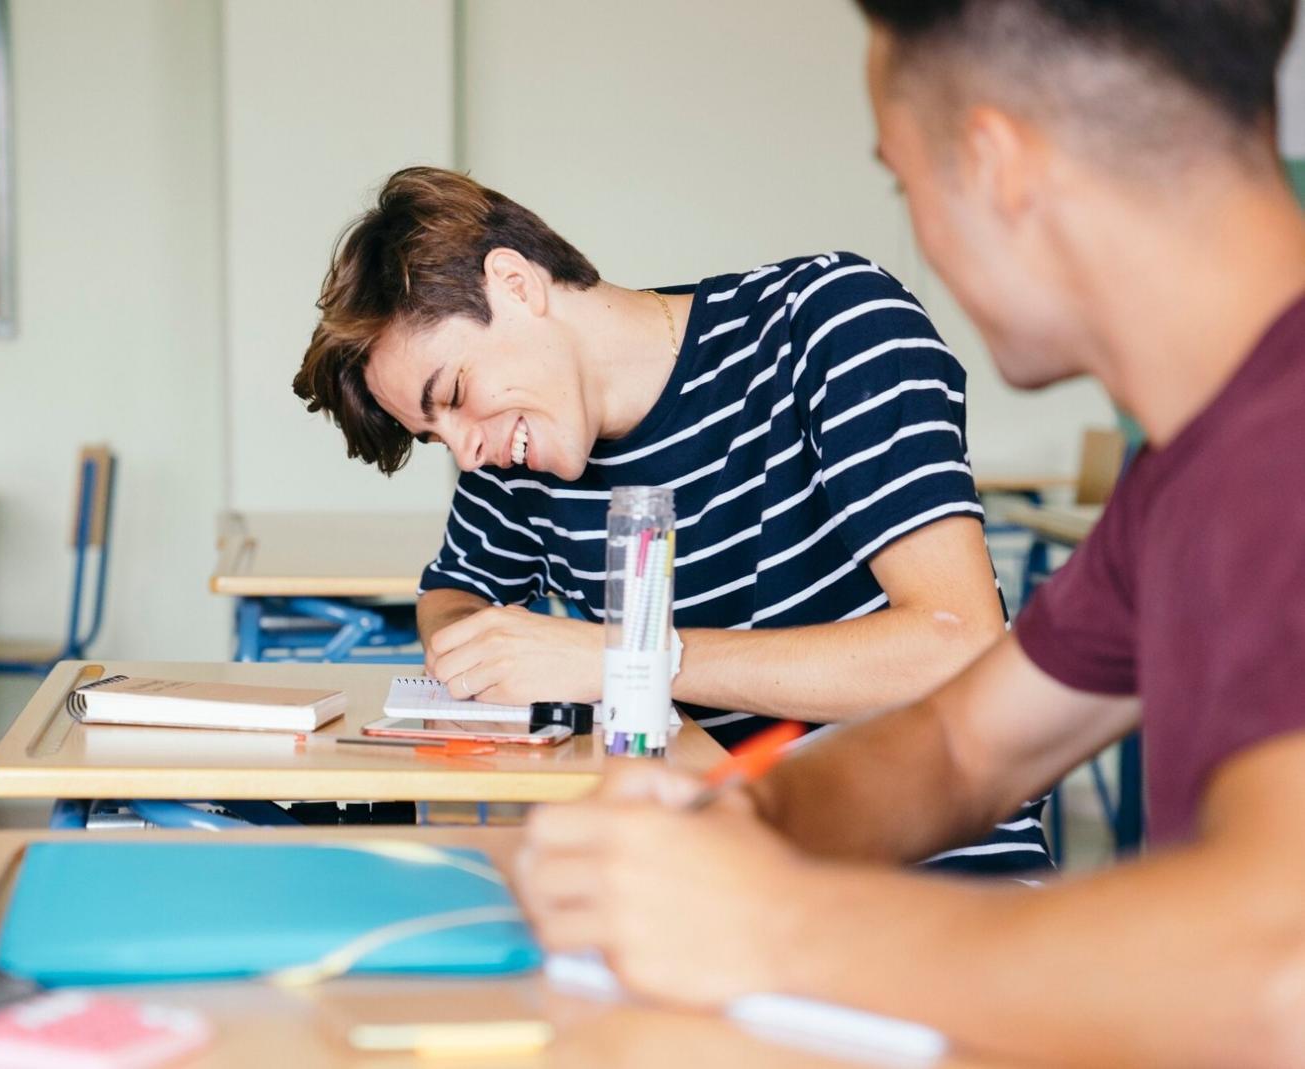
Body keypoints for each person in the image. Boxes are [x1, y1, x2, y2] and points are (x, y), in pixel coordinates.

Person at [518, 1, 1305, 1063]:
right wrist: (738, 822)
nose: (919, 230)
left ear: (992, 165)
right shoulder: (1190, 469)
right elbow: (960, 742)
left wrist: (773, 924)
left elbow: (1275, 973)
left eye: (905, 181)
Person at [294, 166, 1048, 875]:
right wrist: (480, 652)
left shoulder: (831, 324)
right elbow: (454, 593)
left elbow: (959, 645)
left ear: (515, 284)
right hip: (718, 867)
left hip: (929, 869)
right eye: (437, 438)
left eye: (454, 392)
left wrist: (628, 661)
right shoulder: (520, 454)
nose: (468, 452)